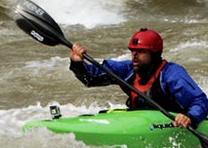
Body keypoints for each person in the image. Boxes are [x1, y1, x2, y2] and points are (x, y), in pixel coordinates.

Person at [69, 28, 208, 128]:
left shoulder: (171, 75)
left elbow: (200, 101)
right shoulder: (127, 70)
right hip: (141, 120)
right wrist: (77, 63)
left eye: (141, 51)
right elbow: (91, 79)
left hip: (172, 122)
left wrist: (189, 117)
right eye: (132, 51)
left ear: (154, 54)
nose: (135, 55)